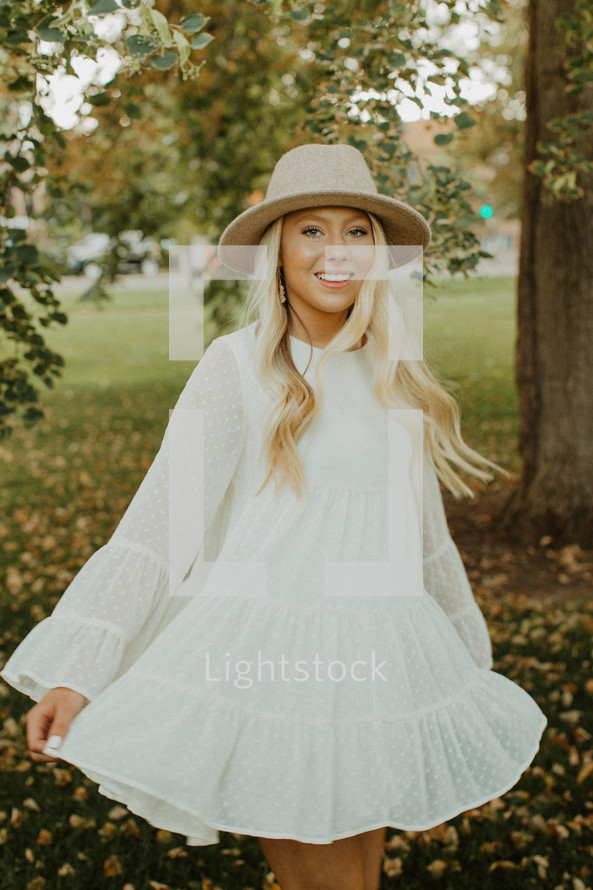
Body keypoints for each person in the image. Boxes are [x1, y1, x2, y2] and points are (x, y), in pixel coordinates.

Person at [0, 144, 547, 890]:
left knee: (360, 875)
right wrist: (78, 671)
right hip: (274, 663)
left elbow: (420, 538)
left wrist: (463, 657)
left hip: (379, 656)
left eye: (356, 231)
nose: (336, 253)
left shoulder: (395, 370)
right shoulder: (235, 366)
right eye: (310, 231)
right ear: (276, 252)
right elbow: (160, 526)